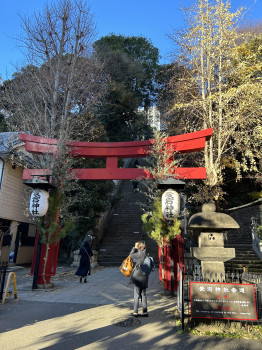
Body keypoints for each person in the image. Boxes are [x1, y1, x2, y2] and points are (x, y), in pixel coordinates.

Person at [129, 240, 148, 317]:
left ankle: (135, 312)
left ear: (139, 246)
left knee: (136, 295)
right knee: (143, 295)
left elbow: (130, 255)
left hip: (138, 277)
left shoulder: (139, 254)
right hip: (145, 277)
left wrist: (134, 247)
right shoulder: (146, 253)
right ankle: (145, 312)